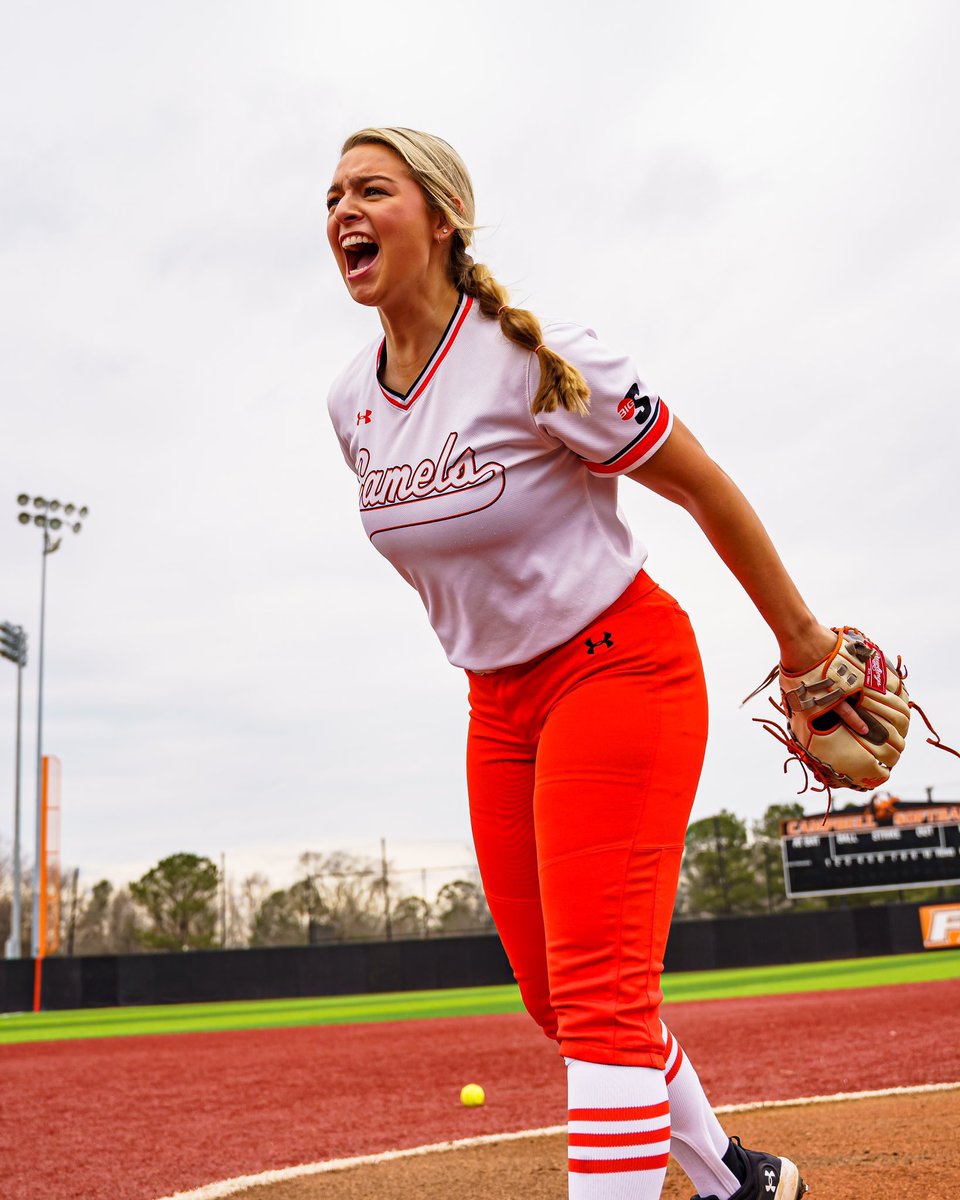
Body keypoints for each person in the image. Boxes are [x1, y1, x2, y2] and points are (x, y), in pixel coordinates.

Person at [324, 126, 846, 1199]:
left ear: (442, 216)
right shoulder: (352, 404)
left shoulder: (539, 358)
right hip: (499, 708)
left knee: (604, 995)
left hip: (621, 671)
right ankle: (738, 1183)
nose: (343, 209)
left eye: (372, 188)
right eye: (331, 195)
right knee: (560, 1004)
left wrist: (804, 645)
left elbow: (702, 484)